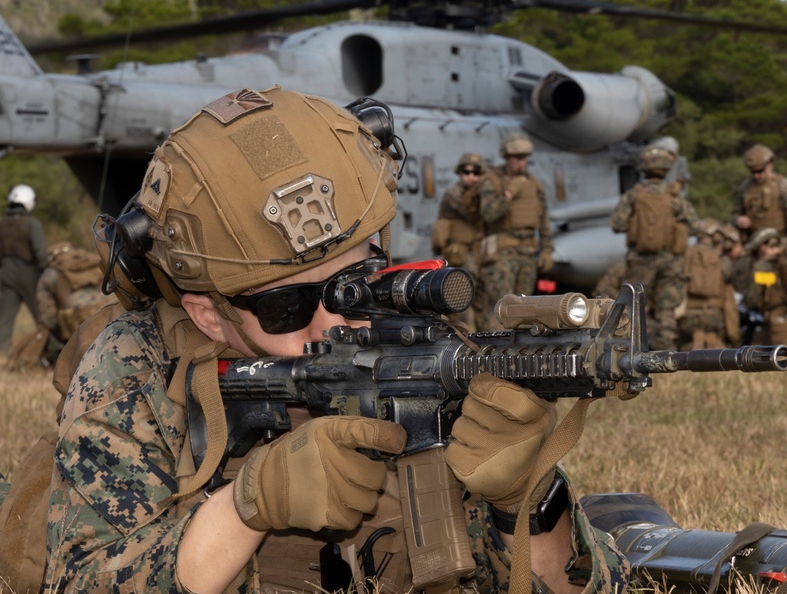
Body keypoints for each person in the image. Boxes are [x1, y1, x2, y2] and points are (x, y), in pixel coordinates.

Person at [42, 87, 627, 594]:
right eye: (285, 305)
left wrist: (526, 496)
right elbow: (80, 579)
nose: (334, 322)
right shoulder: (135, 367)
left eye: (357, 284)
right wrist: (247, 506)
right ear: (208, 314)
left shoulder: (425, 348)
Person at [610, 142, 697, 350]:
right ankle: (666, 350)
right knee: (667, 308)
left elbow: (617, 224)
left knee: (634, 306)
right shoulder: (674, 197)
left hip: (640, 260)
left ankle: (630, 349)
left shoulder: (633, 195)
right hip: (670, 261)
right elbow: (693, 225)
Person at [476, 132, 555, 331]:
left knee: (525, 307)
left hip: (527, 252)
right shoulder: (493, 181)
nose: (521, 163)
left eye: (524, 158)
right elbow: (489, 214)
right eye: (517, 158)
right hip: (503, 252)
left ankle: (520, 355)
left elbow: (543, 218)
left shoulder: (534, 183)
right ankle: (492, 355)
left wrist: (547, 250)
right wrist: (509, 193)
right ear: (507, 158)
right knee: (502, 307)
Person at [433, 152, 485, 328]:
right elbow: (472, 212)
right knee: (462, 297)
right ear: (460, 173)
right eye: (467, 172)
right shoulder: (454, 193)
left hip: (475, 250)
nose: (471, 177)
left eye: (476, 173)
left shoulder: (476, 194)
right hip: (459, 252)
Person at [678, 218, 740, 349]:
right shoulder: (722, 260)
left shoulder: (685, 255)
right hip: (714, 316)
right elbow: (729, 283)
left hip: (688, 316)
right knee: (716, 339)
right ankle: (711, 339)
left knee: (684, 344)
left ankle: (695, 341)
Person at [0, 183, 47, 354]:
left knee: (3, 318)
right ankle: (52, 350)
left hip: (5, 273)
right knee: (42, 315)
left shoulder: (2, 223)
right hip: (29, 274)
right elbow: (41, 253)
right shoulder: (31, 224)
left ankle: (2, 353)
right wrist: (45, 272)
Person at [731, 144, 787, 244]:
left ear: (770, 165)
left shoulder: (785, 186)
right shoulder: (745, 187)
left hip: (780, 242)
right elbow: (736, 213)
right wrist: (738, 220)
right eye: (752, 172)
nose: (756, 176)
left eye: (760, 171)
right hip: (753, 243)